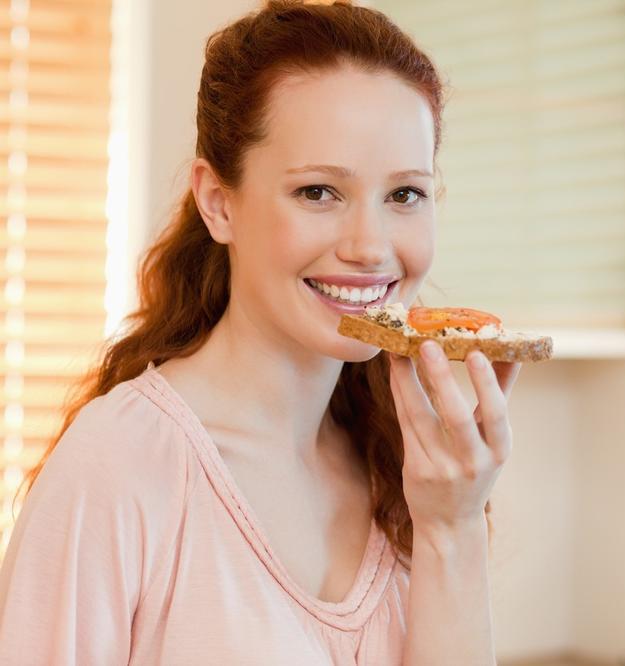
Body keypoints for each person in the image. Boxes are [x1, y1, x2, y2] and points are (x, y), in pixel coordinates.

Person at [0, 2, 521, 664]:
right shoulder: (120, 468)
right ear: (218, 202)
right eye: (318, 193)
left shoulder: (410, 474)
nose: (370, 246)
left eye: (404, 195)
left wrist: (453, 525)